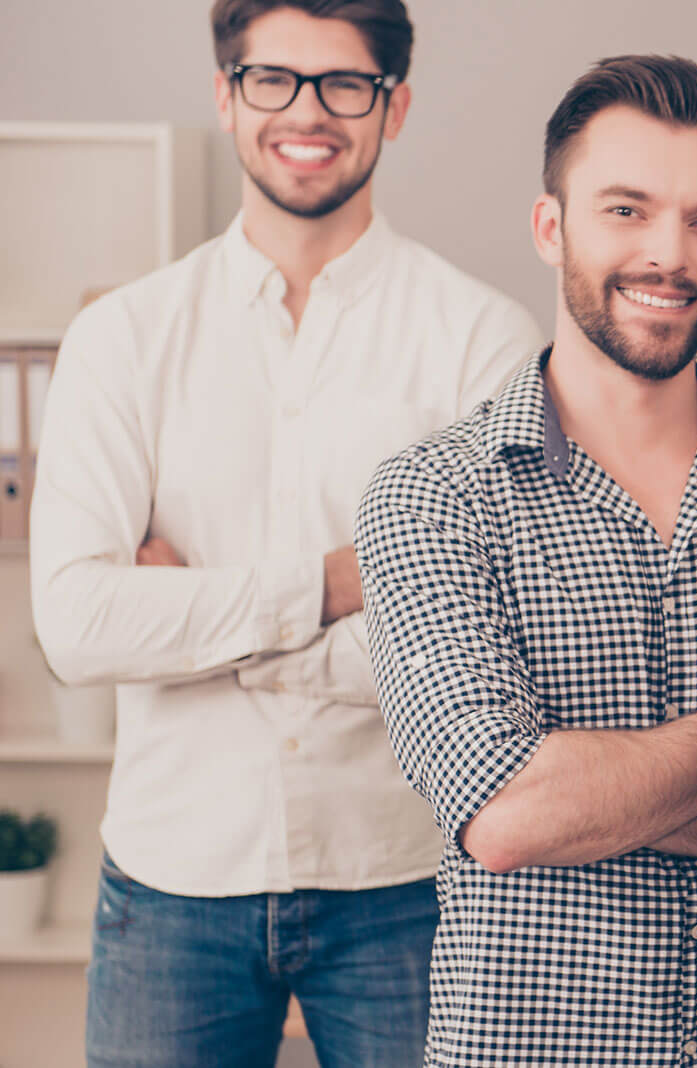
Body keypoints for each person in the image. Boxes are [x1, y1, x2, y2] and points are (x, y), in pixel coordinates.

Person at [28, 0, 542, 1063]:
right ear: (226, 94)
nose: (307, 112)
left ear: (392, 108)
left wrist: (192, 623)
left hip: (402, 881)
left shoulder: (482, 341)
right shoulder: (122, 339)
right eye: (273, 79)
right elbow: (78, 624)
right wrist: (333, 585)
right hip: (174, 880)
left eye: (344, 84)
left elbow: (482, 651)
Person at [353, 54, 697, 1066]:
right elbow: (505, 813)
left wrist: (600, 790)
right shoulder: (431, 496)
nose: (671, 255)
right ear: (550, 226)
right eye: (627, 210)